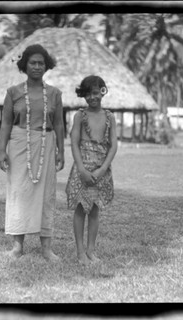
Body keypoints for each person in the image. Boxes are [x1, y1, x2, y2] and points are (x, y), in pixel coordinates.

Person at [0, 44, 65, 262]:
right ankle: (17, 246)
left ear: (47, 67)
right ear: (24, 65)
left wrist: (61, 151)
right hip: (19, 144)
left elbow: (59, 124)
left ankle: (46, 248)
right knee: (19, 192)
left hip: (46, 143)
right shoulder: (13, 93)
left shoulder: (54, 94)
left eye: (41, 63)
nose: (37, 66)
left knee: (46, 195)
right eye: (33, 62)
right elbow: (6, 122)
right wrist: (2, 151)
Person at [65, 75, 118, 265]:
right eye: (87, 94)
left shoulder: (110, 117)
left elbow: (113, 146)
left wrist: (102, 169)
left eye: (95, 93)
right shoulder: (80, 116)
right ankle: (80, 252)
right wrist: (81, 169)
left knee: (95, 211)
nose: (92, 97)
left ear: (103, 91)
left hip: (101, 171)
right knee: (80, 209)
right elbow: (74, 142)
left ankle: (91, 251)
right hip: (82, 170)